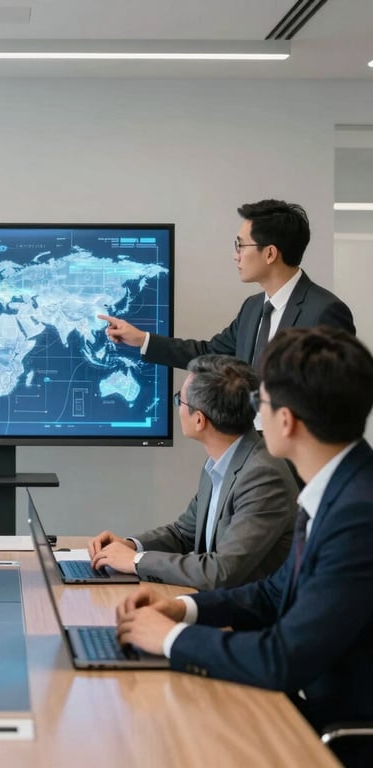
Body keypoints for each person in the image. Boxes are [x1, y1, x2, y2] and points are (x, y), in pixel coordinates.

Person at [116, 327, 373, 768]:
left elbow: (282, 658)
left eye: (261, 404)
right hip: (301, 701)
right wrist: (182, 610)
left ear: (287, 421)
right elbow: (273, 593)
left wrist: (172, 639)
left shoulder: (357, 516)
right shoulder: (339, 489)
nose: (254, 416)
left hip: (331, 733)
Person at [88, 355, 297, 589]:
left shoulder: (263, 476)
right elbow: (183, 533)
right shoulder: (221, 460)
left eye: (180, 400)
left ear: (199, 420)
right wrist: (131, 545)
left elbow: (220, 572)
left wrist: (136, 561)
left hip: (247, 619)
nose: (177, 407)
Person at [99, 199, 355, 371]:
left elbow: (337, 398)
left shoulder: (324, 311)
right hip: (251, 449)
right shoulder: (253, 308)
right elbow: (209, 353)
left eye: (240, 245)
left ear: (270, 253)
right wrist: (142, 339)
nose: (236, 255)